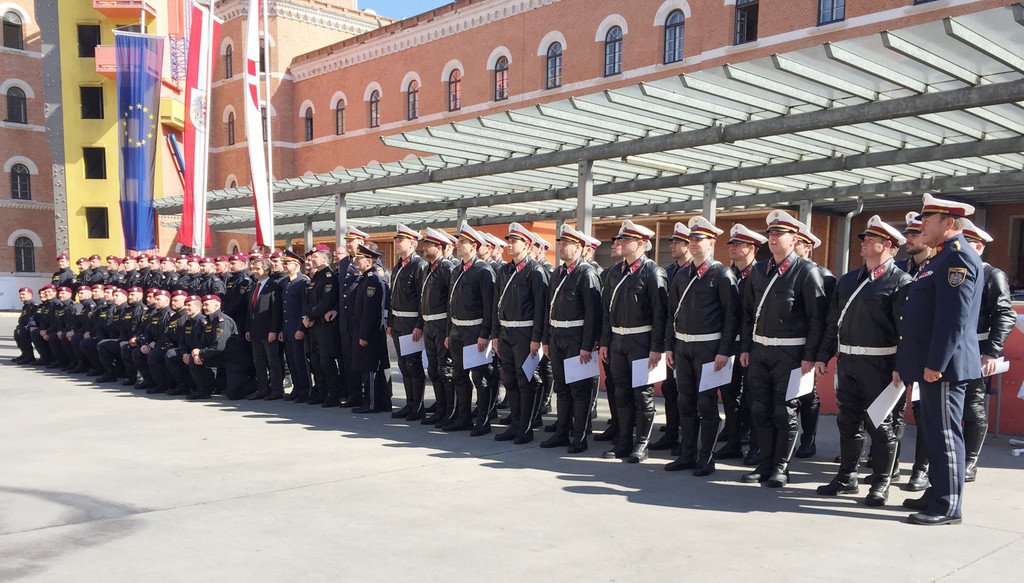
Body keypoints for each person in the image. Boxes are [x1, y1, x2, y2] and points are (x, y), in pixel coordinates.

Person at [898, 193, 984, 526]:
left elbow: (953, 318)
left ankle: (948, 505)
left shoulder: (957, 257)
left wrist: (936, 363)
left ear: (948, 222)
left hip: (944, 367)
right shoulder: (941, 257)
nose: (921, 226)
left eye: (927, 220)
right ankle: (937, 492)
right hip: (933, 366)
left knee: (946, 434)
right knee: (935, 432)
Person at [814, 216, 912, 506]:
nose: (865, 243)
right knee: (848, 422)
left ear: (889, 246)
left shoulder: (901, 282)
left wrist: (902, 366)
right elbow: (833, 322)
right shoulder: (848, 280)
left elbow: (906, 331)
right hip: (848, 361)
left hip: (881, 365)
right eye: (864, 239)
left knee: (881, 426)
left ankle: (880, 483)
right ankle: (846, 477)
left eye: (872, 239)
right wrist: (823, 355)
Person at [740, 210, 827, 488]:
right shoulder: (759, 270)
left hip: (791, 354)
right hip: (760, 351)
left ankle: (781, 467)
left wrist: (810, 356)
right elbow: (748, 313)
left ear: (795, 239)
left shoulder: (806, 271)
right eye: (771, 233)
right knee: (760, 409)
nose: (773, 238)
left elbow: (817, 318)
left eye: (779, 233)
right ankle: (765, 464)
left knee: (784, 411)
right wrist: (746, 347)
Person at [664, 216, 741, 477]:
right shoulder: (681, 275)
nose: (694, 243)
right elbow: (671, 313)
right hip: (683, 347)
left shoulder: (722, 274)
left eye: (699, 239)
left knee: (706, 404)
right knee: (685, 401)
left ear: (712, 243)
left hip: (709, 348)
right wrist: (669, 346)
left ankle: (706, 458)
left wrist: (724, 351)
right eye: (692, 239)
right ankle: (687, 454)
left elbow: (731, 316)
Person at [599, 220, 668, 463]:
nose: (620, 242)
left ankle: (642, 444)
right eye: (620, 238)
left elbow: (660, 314)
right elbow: (607, 311)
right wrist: (605, 342)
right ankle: (623, 441)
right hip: (618, 340)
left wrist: (657, 347)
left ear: (641, 243)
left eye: (626, 239)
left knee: (643, 395)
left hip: (642, 341)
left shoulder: (652, 272)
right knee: (621, 393)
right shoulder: (615, 272)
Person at [958, 219, 1015, 483]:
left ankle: (969, 461)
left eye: (965, 243)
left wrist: (992, 351)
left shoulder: (992, 275)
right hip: (951, 349)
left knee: (973, 405)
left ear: (979, 247)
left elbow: (1005, 314)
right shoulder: (954, 271)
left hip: (977, 348)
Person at [541, 224, 603, 453]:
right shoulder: (558, 273)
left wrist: (587, 344)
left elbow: (593, 313)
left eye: (567, 244)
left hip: (577, 338)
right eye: (561, 243)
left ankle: (580, 436)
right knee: (562, 387)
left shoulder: (586, 273)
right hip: (557, 336)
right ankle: (562, 432)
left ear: (579, 248)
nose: (562, 247)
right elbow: (549, 309)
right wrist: (546, 339)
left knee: (579, 389)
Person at [491, 223, 549, 442]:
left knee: (525, 381)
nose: (510, 245)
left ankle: (526, 427)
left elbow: (541, 308)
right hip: (506, 332)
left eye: (515, 241)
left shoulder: (535, 271)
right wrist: (495, 334)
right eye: (509, 241)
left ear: (527, 245)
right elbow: (496, 304)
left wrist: (536, 338)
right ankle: (515, 424)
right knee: (510, 380)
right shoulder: (505, 270)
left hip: (525, 333)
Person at [720, 224, 767, 465]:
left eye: (738, 245)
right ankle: (733, 440)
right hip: (731, 344)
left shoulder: (759, 275)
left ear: (752, 249)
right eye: (731, 244)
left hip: (751, 346)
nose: (732, 248)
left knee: (753, 397)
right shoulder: (731, 274)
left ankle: (755, 446)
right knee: (730, 395)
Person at [444, 222, 496, 432]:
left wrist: (485, 333)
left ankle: (483, 420)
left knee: (480, 378)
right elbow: (451, 303)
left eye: (462, 242)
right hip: (457, 330)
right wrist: (449, 331)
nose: (458, 245)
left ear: (474, 245)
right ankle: (463, 417)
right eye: (458, 241)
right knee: (459, 376)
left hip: (475, 331)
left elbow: (489, 306)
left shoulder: (483, 270)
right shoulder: (457, 270)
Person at [896, 212, 933, 491]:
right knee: (891, 409)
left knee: (924, 414)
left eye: (915, 233)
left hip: (924, 352)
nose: (908, 238)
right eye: (907, 233)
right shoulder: (899, 268)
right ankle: (887, 462)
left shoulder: (938, 267)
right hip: (895, 350)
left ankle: (921, 468)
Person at [793, 223, 836, 459]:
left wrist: (819, 352)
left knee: (807, 394)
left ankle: (808, 439)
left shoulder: (823, 275)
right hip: (786, 344)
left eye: (797, 242)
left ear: (808, 247)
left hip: (809, 344)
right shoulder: (783, 272)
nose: (793, 245)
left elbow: (825, 317)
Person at [650, 222, 692, 453]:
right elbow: (665, 311)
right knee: (669, 388)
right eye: (672, 241)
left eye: (678, 242)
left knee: (689, 393)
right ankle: (672, 431)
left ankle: (688, 437)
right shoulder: (669, 271)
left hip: (692, 341)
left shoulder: (696, 271)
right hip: (673, 340)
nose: (672, 246)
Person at [387, 224, 429, 420]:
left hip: (411, 322)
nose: (397, 243)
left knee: (413, 364)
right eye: (396, 239)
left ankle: (418, 406)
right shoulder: (399, 265)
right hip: (398, 321)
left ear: (412, 243)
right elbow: (393, 297)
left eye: (401, 240)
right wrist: (390, 322)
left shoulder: (418, 265)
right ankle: (410, 403)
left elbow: (422, 298)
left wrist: (419, 325)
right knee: (403, 365)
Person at [419, 228, 457, 427]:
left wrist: (449, 330)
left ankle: (450, 411)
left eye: (429, 245)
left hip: (442, 324)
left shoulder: (447, 268)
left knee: (445, 370)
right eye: (425, 244)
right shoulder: (428, 268)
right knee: (433, 369)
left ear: (440, 247)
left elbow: (451, 302)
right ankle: (441, 409)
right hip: (429, 324)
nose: (424, 248)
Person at [350, 244, 392, 413]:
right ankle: (376, 402)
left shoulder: (373, 280)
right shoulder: (366, 278)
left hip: (371, 333)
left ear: (368, 261)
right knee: (368, 367)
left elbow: (371, 312)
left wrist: (364, 335)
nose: (356, 261)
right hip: (366, 331)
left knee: (371, 369)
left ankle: (372, 403)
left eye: (359, 258)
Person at [303, 244, 343, 406]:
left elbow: (326, 302)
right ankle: (321, 391)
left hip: (324, 326)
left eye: (315, 257)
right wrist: (306, 316)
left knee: (326, 361)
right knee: (315, 360)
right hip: (313, 325)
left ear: (325, 259)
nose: (312, 259)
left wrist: (311, 315)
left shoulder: (329, 276)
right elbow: (308, 301)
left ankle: (333, 394)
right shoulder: (316, 277)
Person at [188, 294, 244, 400]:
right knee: (193, 359)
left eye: (207, 305)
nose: (204, 307)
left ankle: (251, 384)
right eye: (203, 305)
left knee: (233, 394)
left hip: (233, 359)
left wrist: (200, 352)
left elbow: (219, 346)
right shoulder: (209, 321)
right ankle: (204, 390)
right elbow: (203, 341)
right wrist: (196, 352)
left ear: (217, 306)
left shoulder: (223, 321)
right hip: (220, 357)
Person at [247, 257, 284, 400]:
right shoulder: (254, 286)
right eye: (253, 268)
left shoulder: (274, 287)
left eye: (257, 268)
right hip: (255, 330)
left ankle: (276, 390)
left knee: (273, 362)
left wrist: (274, 330)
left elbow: (276, 311)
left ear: (267, 270)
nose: (254, 271)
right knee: (259, 362)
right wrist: (248, 328)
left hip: (268, 330)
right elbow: (250, 310)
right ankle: (262, 389)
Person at [280, 250, 312, 402]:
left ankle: (305, 390)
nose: (285, 265)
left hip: (297, 328)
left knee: (300, 361)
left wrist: (301, 328)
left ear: (297, 265)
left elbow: (304, 307)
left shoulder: (302, 282)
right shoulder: (285, 282)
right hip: (287, 328)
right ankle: (297, 388)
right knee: (292, 361)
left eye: (288, 263)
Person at [166, 295, 206, 396]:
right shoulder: (188, 322)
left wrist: (194, 353)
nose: (186, 308)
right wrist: (184, 353)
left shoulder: (203, 322)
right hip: (188, 352)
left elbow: (204, 342)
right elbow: (182, 341)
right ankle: (183, 385)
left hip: (200, 353)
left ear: (198, 307)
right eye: (185, 305)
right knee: (171, 354)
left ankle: (202, 388)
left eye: (189, 305)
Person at [12, 287, 38, 364]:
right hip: (26, 327)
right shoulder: (25, 306)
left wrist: (25, 327)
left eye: (23, 294)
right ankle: (25, 353)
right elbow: (23, 319)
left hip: (33, 327)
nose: (21, 296)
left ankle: (30, 356)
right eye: (20, 294)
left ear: (30, 295)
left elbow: (32, 319)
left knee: (22, 332)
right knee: (17, 332)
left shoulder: (33, 305)